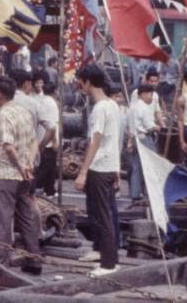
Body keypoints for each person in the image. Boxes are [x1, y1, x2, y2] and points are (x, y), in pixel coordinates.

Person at [0, 77, 42, 274]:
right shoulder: (24, 112)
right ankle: (34, 260)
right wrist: (28, 162)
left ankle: (0, 266)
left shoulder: (4, 114)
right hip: (24, 175)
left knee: (2, 220)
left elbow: (8, 147)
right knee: (25, 218)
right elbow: (35, 139)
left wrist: (20, 166)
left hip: (5, 174)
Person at [73, 64, 121, 277]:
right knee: (103, 213)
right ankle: (106, 257)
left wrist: (83, 171)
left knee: (102, 216)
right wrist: (118, 169)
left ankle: (109, 264)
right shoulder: (113, 105)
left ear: (88, 82)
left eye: (81, 82)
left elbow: (96, 140)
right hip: (109, 166)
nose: (80, 86)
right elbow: (116, 140)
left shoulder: (100, 108)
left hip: (99, 168)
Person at [126, 84, 160, 204]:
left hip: (135, 137)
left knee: (136, 166)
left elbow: (129, 126)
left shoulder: (131, 108)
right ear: (142, 94)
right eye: (150, 94)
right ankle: (150, 192)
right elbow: (149, 125)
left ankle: (135, 193)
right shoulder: (143, 108)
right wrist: (159, 127)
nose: (151, 97)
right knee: (151, 165)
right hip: (144, 138)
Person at [32, 74, 60, 196]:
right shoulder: (51, 103)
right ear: (54, 92)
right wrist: (54, 140)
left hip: (43, 137)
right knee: (46, 168)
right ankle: (35, 187)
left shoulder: (42, 101)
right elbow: (53, 125)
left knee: (49, 168)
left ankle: (49, 190)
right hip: (48, 140)